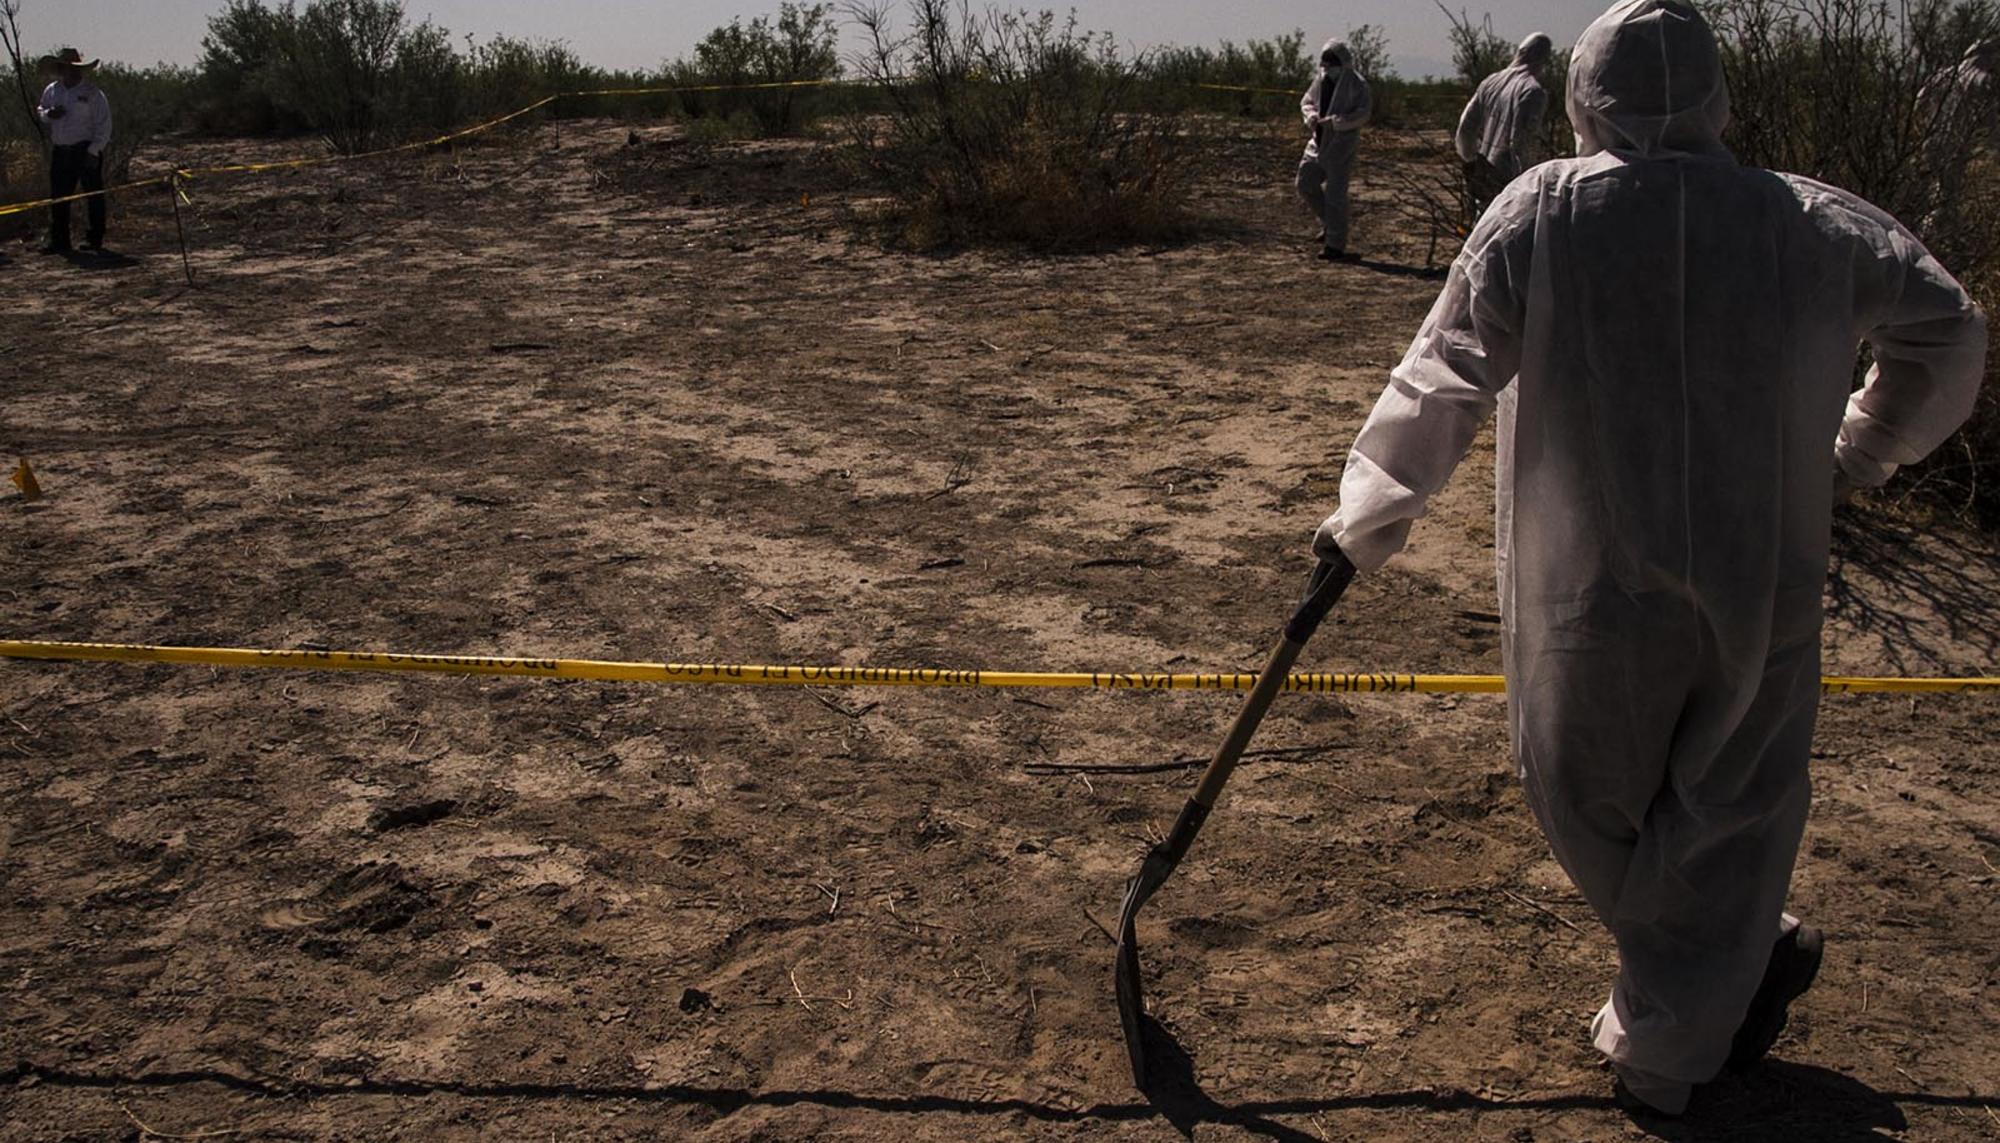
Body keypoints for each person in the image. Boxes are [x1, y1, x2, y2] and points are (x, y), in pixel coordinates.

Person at [1314, 0, 1984, 1118]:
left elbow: (1440, 371)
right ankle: (1728, 958)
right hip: (1756, 562)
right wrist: (1864, 449)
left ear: (1581, 93)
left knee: (1581, 783)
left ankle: (1668, 1049)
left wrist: (1366, 515)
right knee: (1727, 794)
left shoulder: (1543, 214)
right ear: (1718, 97)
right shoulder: (1809, 222)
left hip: (1588, 570)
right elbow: (1948, 329)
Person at [1455, 33, 1554, 216]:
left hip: (1484, 179)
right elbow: (1522, 144)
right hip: (1509, 187)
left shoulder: (1490, 83)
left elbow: (1465, 129)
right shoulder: (1532, 92)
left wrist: (1471, 163)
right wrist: (1526, 189)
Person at [1296, 39, 1371, 261]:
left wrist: (1337, 122)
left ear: (1344, 62)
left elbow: (1363, 113)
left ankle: (1335, 246)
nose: (1328, 67)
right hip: (1317, 141)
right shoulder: (1320, 79)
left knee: (1335, 195)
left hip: (1342, 144)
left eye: (1333, 62)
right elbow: (1307, 101)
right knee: (1305, 183)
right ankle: (1330, 223)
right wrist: (1311, 116)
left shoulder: (1358, 84)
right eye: (1325, 62)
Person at [35, 47, 113, 255]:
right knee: (59, 196)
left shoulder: (92, 93)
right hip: (61, 150)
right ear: (61, 69)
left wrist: (94, 151)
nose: (72, 71)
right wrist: (50, 114)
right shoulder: (52, 90)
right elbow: (41, 111)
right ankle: (60, 240)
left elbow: (104, 125)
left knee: (93, 195)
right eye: (68, 67)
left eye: (76, 67)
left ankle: (94, 239)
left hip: (84, 150)